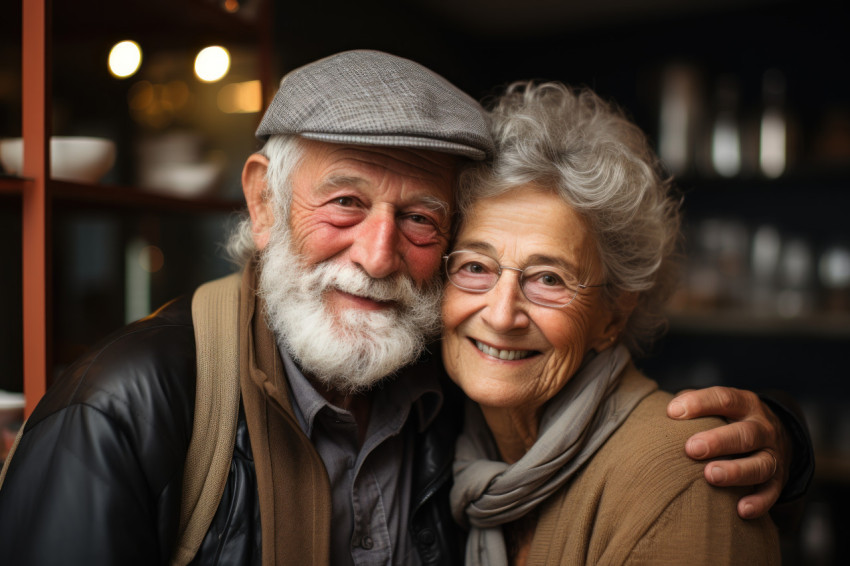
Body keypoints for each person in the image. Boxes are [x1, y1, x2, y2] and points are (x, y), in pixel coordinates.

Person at [0, 51, 808, 565]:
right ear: (263, 204)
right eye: (345, 201)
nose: (379, 256)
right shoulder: (121, 408)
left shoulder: (437, 365)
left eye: (420, 218)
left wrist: (782, 436)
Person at [445, 81, 783, 565]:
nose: (501, 315)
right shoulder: (450, 442)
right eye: (475, 268)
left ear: (613, 315)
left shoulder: (687, 480)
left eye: (548, 278)